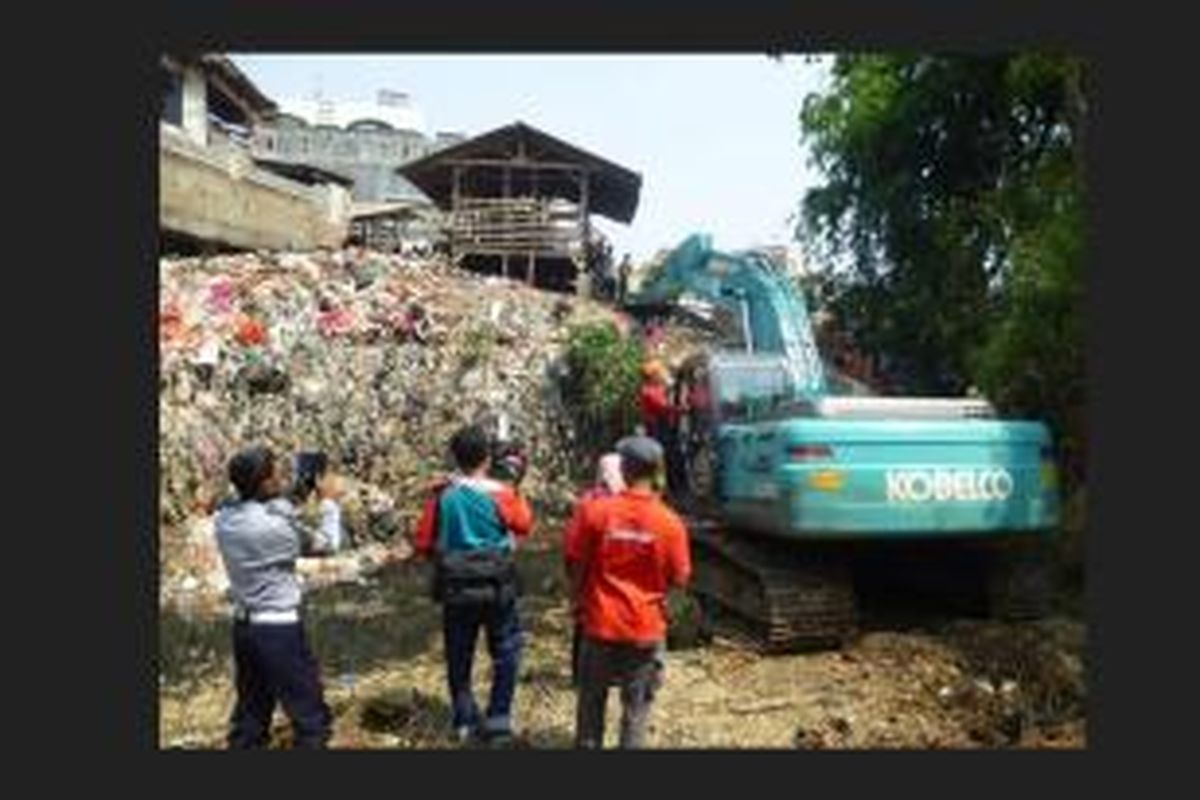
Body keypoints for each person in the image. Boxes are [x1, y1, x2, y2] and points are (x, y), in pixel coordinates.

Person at [564, 436, 692, 749]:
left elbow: (575, 562)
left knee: (590, 706)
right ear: (657, 470)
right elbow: (680, 577)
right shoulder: (670, 522)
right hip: (645, 630)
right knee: (636, 711)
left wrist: (577, 599)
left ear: (624, 468)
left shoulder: (595, 511)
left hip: (599, 625)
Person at [414, 424, 534, 745]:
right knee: (506, 651)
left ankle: (464, 720)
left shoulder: (442, 496)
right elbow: (524, 525)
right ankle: (498, 719)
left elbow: (423, 542)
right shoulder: (502, 494)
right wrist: (516, 488)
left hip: (456, 589)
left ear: (455, 457)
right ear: (487, 457)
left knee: (459, 654)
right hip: (498, 587)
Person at [213, 446, 334, 749]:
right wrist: (330, 502)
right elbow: (328, 543)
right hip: (278, 631)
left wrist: (296, 494)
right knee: (310, 719)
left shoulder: (225, 519)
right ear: (265, 484)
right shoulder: (276, 529)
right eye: (277, 473)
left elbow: (268, 506)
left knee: (251, 717)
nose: (284, 476)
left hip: (244, 628)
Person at [562, 453, 626, 687]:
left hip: (590, 576)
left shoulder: (587, 503)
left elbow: (571, 548)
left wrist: (574, 581)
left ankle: (581, 674)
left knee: (585, 623)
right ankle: (615, 673)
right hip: (616, 576)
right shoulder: (631, 505)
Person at [638, 360, 686, 499]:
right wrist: (682, 410)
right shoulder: (648, 391)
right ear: (653, 375)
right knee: (665, 456)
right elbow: (663, 407)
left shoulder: (656, 388)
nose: (662, 375)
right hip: (657, 427)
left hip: (661, 425)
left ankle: (670, 487)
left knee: (671, 454)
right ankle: (666, 490)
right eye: (659, 373)